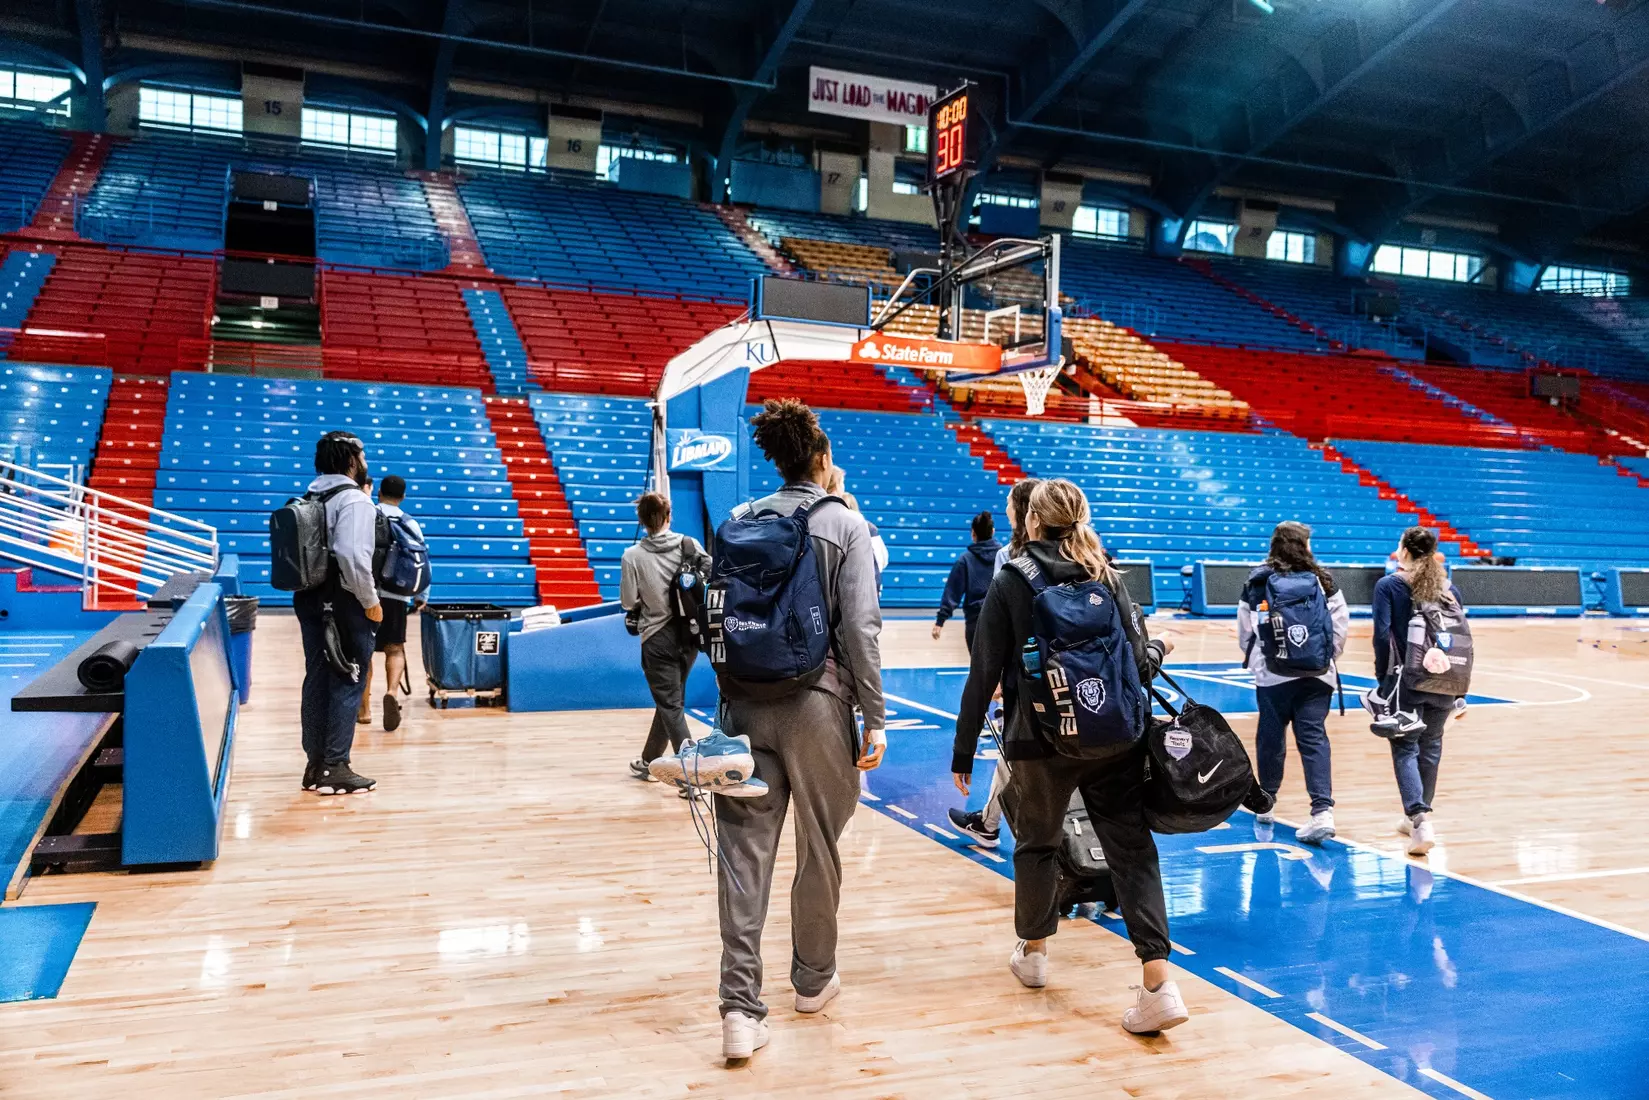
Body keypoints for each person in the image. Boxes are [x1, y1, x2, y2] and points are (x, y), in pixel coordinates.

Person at [951, 478, 1187, 1035]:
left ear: (1032, 521)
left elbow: (983, 673)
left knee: (1037, 845)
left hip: (1039, 743)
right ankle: (1158, 983)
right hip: (1117, 738)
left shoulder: (1012, 578)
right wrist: (1158, 647)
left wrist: (964, 751)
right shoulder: (1106, 574)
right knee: (1131, 852)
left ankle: (1033, 954)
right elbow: (1136, 663)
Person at [715, 399, 886, 1063]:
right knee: (819, 848)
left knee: (742, 857)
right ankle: (812, 982)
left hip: (742, 703)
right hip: (818, 702)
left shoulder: (739, 518)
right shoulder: (843, 522)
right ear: (820, 460)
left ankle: (738, 1008)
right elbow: (861, 629)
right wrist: (874, 716)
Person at [1237, 521, 1349, 845]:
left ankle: (1266, 803)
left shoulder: (1258, 581)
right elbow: (1340, 628)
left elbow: (1246, 629)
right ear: (1305, 546)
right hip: (1318, 675)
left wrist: (1262, 659)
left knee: (1271, 737)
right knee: (1313, 739)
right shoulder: (1324, 581)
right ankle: (1322, 811)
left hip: (1273, 676)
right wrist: (1323, 656)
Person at [948, 477, 1041, 848]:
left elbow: (996, 647)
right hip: (1075, 686)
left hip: (1033, 678)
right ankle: (989, 822)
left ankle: (990, 824)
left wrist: (963, 752)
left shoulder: (1013, 564)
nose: (1004, 507)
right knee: (1017, 749)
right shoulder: (1088, 558)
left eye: (1008, 502)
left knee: (1017, 747)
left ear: (1027, 513)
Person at [297, 431, 381, 795]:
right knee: (349, 676)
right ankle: (336, 765)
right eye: (362, 457)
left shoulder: (311, 494)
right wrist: (370, 602)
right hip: (345, 601)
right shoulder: (354, 500)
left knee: (316, 678)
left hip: (309, 596)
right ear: (351, 461)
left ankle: (316, 764)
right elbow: (352, 555)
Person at [1371, 527, 1465, 857]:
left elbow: (1382, 636)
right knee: (1432, 745)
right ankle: (1418, 817)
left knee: (1405, 744)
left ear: (1405, 551)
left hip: (1406, 679)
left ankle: (1419, 820)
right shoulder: (1448, 588)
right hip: (1446, 678)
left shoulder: (1389, 585)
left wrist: (1383, 678)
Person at [619, 491, 709, 797]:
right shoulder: (689, 545)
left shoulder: (632, 556)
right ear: (669, 516)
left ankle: (692, 775)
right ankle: (649, 761)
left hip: (656, 639)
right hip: (690, 637)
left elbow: (628, 600)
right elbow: (711, 575)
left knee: (670, 704)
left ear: (641, 521)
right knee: (671, 700)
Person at [357, 475, 428, 732]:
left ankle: (364, 710)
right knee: (395, 648)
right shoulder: (410, 523)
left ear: (378, 493)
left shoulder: (367, 515)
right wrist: (421, 595)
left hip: (367, 593)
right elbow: (421, 559)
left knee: (363, 654)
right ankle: (391, 693)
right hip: (397, 596)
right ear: (404, 496)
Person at [933, 511, 1001, 653]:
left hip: (975, 622)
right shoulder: (1005, 555)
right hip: (1000, 617)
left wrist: (940, 621)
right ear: (993, 531)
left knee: (979, 669)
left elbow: (952, 592)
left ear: (973, 533)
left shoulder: (965, 560)